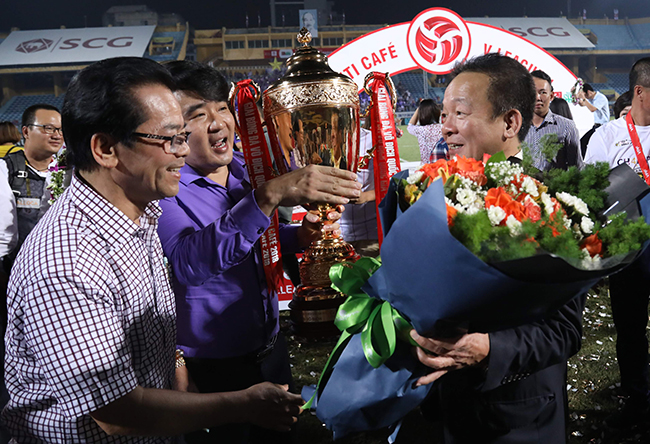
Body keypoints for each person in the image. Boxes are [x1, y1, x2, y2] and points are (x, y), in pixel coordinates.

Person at [3, 57, 304, 443]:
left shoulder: (139, 216)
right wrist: (242, 404)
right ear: (106, 148)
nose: (182, 152)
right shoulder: (68, 261)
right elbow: (116, 413)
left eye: (183, 135)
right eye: (170, 138)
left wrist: (173, 359)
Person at [157, 60, 361, 444]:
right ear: (173, 128)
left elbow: (256, 241)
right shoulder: (167, 189)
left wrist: (298, 236)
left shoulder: (244, 168)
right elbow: (189, 262)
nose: (217, 123)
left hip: (271, 346)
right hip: (212, 368)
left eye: (221, 108)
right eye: (198, 115)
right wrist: (268, 196)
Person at [412, 53, 585, 443]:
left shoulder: (554, 203)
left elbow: (565, 331)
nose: (447, 129)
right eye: (443, 115)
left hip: (519, 417)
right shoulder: (432, 194)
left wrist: (490, 347)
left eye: (460, 113)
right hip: (444, 407)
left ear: (510, 122)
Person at [584, 57, 650, 429]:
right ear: (640, 91)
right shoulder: (608, 134)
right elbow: (593, 189)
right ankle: (637, 399)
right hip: (628, 246)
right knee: (630, 326)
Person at [0, 104, 63, 265]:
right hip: (15, 267)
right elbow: (4, 236)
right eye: (48, 128)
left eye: (60, 130)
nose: (57, 135)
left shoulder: (68, 173)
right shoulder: (6, 169)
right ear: (26, 131)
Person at [524, 70, 581, 170]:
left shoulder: (567, 127)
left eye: (543, 92)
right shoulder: (516, 126)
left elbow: (576, 166)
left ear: (551, 96)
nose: (538, 97)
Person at [340, 118, 378, 257]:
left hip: (369, 235)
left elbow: (391, 184)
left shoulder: (373, 140)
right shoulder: (322, 140)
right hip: (334, 235)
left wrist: (365, 197)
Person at [407, 99, 446, 164]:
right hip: (441, 167)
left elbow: (410, 126)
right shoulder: (444, 128)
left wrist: (419, 107)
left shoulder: (420, 130)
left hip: (425, 168)